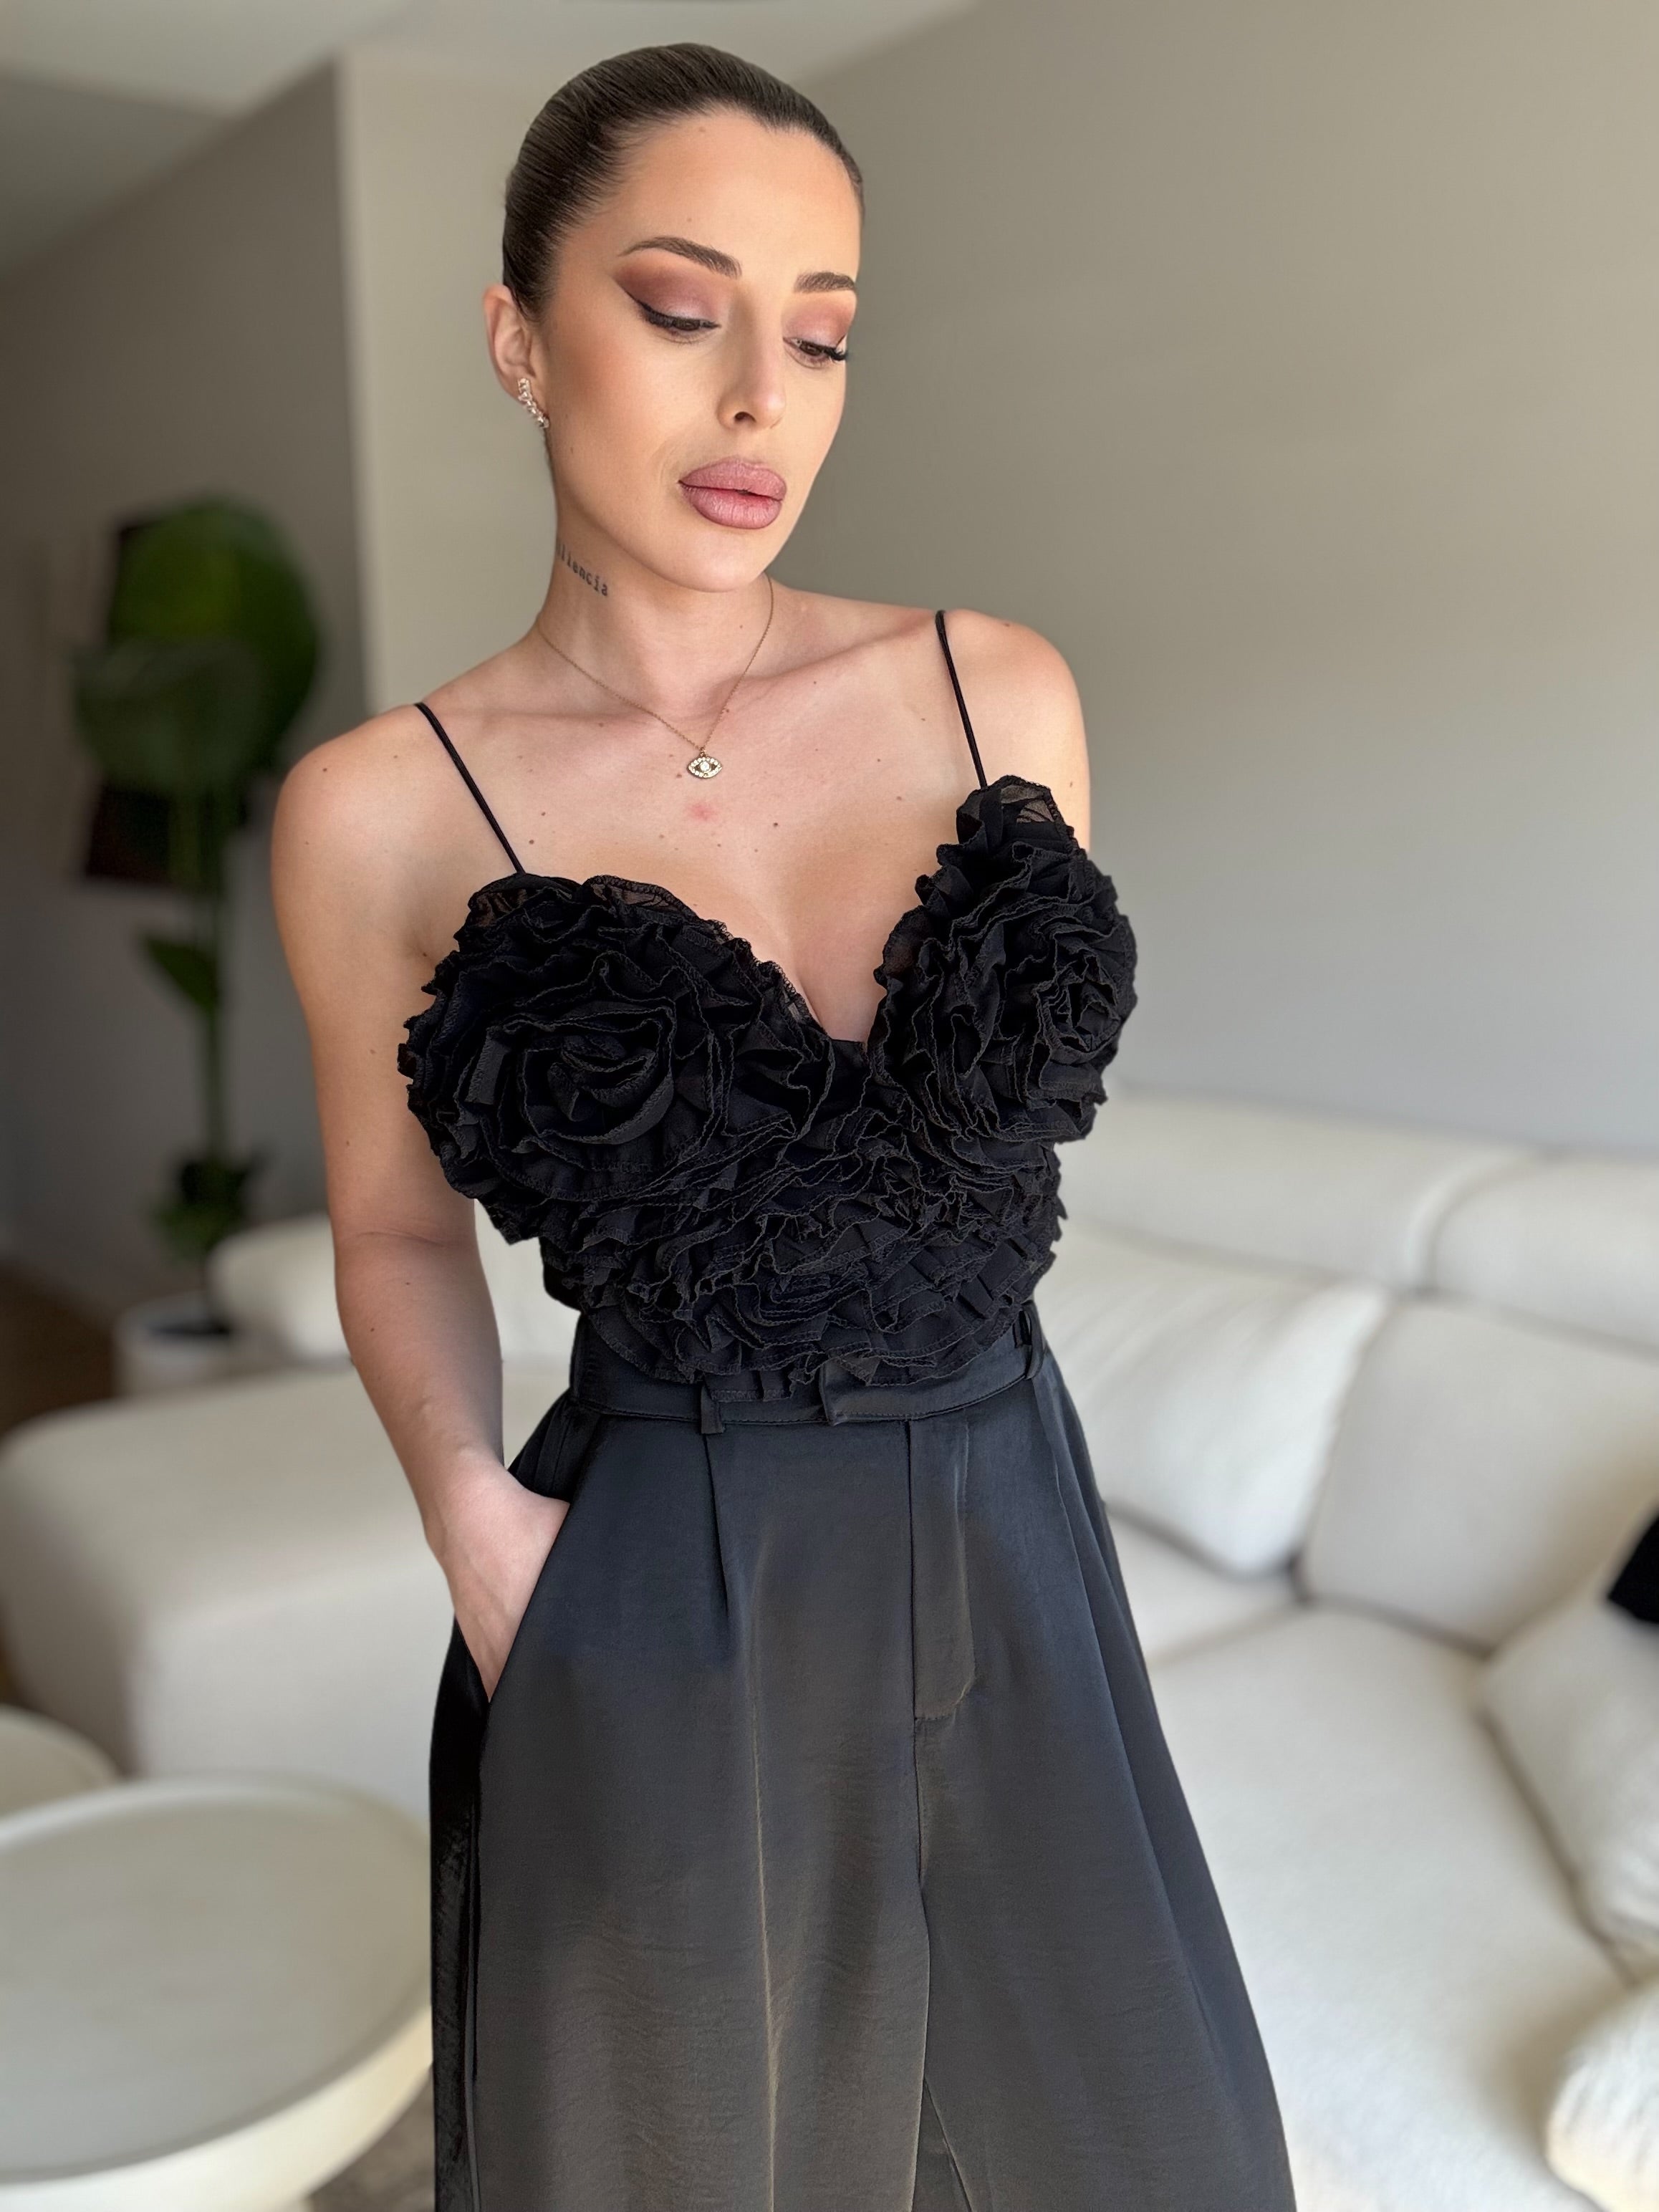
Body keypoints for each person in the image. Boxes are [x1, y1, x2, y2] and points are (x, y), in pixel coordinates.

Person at [272, 40, 1297, 2212]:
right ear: (518, 341)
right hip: (673, 1556)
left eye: (821, 336)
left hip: (1012, 1514)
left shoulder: (996, 690)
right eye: (681, 310)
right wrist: (477, 1532)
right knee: (685, 2162)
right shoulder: (380, 811)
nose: (762, 398)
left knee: (1155, 2154)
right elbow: (390, 1230)